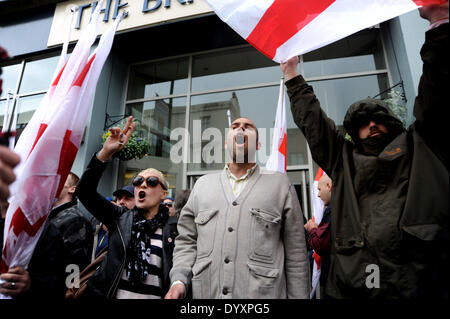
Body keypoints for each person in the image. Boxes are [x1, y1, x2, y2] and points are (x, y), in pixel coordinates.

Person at [281, 2, 448, 299]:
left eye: (378, 120)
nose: (372, 125)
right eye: (364, 123)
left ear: (391, 124)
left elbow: (439, 88)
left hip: (419, 284)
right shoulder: (342, 159)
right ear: (354, 132)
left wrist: (441, 22)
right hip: (356, 287)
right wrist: (292, 75)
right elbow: (314, 124)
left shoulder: (420, 145)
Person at [165, 117, 310, 299]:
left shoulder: (280, 185)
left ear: (258, 145)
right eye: (235, 126)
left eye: (248, 126)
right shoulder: (202, 185)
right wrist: (179, 280)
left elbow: (296, 255)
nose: (240, 128)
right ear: (226, 143)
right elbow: (186, 240)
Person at [75, 116, 179, 299]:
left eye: (152, 181)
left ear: (164, 193)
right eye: (138, 181)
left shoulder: (174, 228)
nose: (143, 185)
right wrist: (105, 153)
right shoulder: (121, 218)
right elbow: (84, 192)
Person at [304, 174, 332, 299]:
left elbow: (321, 245)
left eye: (319, 190)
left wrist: (313, 230)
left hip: (334, 276)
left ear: (329, 186)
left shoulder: (332, 210)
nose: (318, 195)